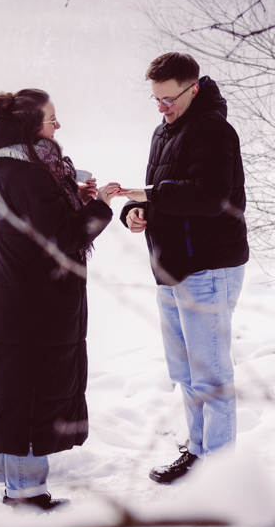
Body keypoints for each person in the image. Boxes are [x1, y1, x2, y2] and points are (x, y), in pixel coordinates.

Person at [105, 53, 248, 485]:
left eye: (169, 98)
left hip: (207, 268)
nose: (162, 107)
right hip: (170, 269)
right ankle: (199, 452)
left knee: (211, 376)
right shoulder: (165, 131)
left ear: (194, 87)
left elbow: (210, 198)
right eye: (156, 99)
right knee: (187, 373)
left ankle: (220, 474)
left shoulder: (214, 131)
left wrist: (149, 194)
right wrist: (134, 210)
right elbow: (160, 194)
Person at [0, 89, 111, 510]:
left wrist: (74, 197)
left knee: (18, 389)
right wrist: (101, 206)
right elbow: (65, 238)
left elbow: (45, 222)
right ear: (30, 126)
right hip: (31, 305)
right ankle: (26, 494)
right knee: (30, 395)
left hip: (20, 301)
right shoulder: (28, 173)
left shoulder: (17, 163)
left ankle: (15, 481)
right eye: (51, 119)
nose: (57, 125)